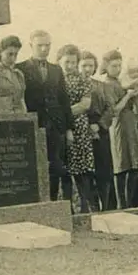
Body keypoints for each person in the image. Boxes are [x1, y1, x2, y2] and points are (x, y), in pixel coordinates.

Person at [16, 30, 74, 202]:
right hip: (33, 124)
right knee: (34, 165)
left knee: (56, 166)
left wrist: (69, 128)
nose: (44, 49)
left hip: (56, 125)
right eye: (39, 45)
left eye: (47, 45)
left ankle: (54, 202)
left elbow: (64, 100)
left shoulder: (56, 70)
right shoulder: (20, 69)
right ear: (31, 46)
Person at [102, 50, 138, 209]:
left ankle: (130, 203)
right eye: (114, 66)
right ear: (106, 66)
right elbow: (114, 110)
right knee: (121, 165)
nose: (117, 69)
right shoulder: (107, 84)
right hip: (119, 126)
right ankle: (122, 205)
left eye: (119, 66)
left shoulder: (120, 81)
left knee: (134, 165)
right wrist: (128, 96)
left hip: (131, 124)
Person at [58, 44, 95, 213]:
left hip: (79, 128)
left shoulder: (83, 80)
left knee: (82, 170)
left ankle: (85, 208)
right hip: (60, 128)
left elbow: (85, 105)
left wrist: (63, 113)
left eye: (73, 62)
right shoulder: (55, 79)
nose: (70, 66)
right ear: (59, 61)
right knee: (64, 169)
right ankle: (67, 210)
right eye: (67, 62)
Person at [80, 51, 116, 211]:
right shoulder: (72, 84)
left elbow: (110, 108)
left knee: (104, 169)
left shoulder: (102, 86)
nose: (87, 69)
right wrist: (85, 125)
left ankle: (106, 205)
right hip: (81, 130)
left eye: (91, 65)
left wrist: (100, 125)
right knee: (86, 170)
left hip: (101, 131)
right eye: (84, 65)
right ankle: (91, 206)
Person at [0, 35, 27, 112]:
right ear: (0, 52)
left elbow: (22, 102)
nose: (13, 58)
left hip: (18, 118)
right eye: (10, 54)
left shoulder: (18, 75)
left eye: (16, 54)